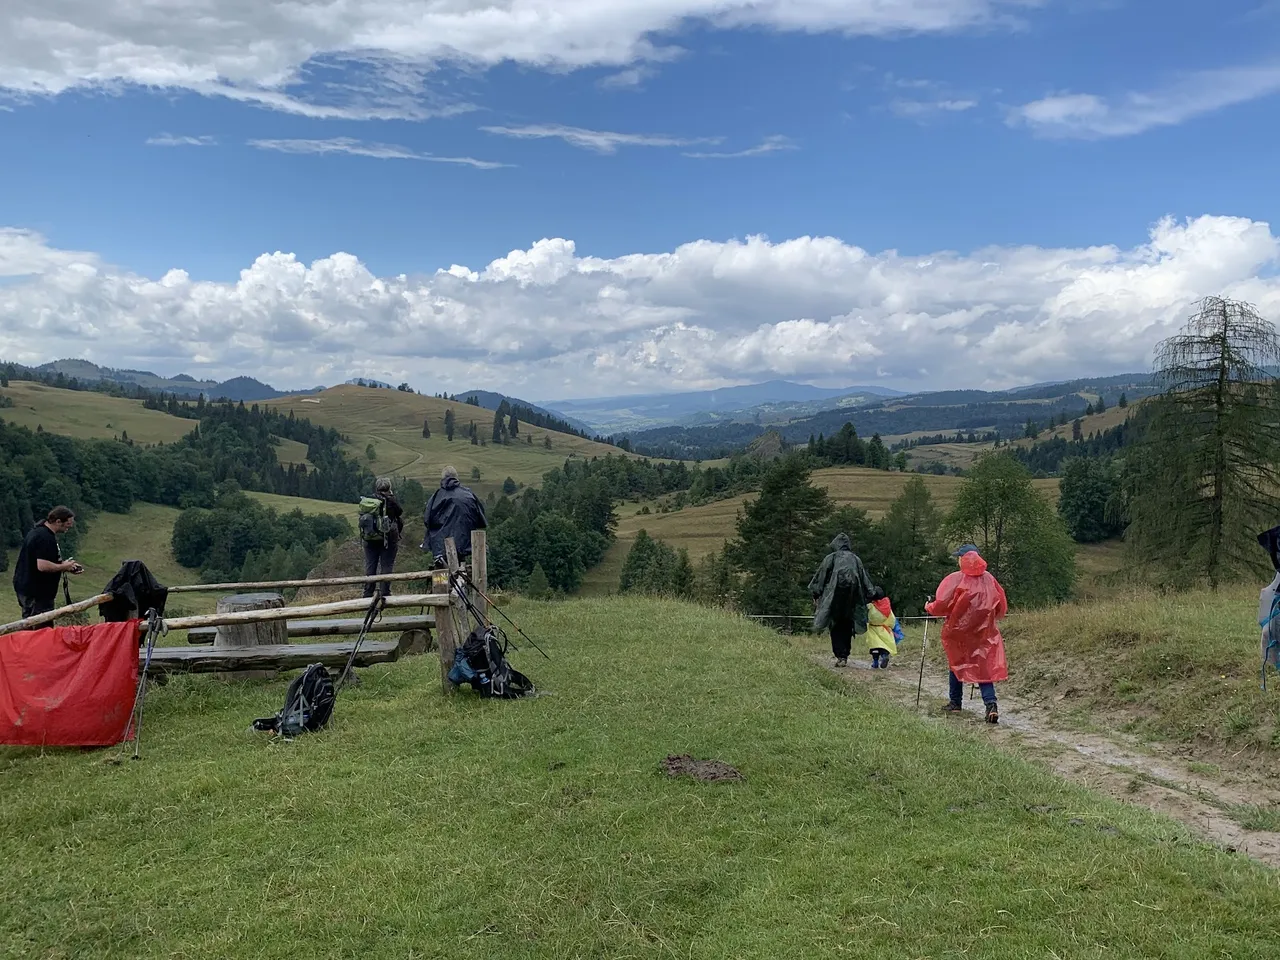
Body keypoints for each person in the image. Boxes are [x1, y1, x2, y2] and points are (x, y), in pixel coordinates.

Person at [925, 544, 1009, 724]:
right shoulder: (990, 579)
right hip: (984, 632)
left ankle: (955, 702)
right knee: (983, 667)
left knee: (956, 662)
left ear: (963, 559)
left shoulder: (956, 579)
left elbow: (942, 603)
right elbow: (1001, 606)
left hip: (959, 631)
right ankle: (991, 704)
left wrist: (928, 606)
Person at [808, 533, 877, 668]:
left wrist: (816, 593)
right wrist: (872, 594)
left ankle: (840, 655)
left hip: (833, 597)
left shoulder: (831, 558)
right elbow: (864, 578)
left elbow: (821, 576)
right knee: (847, 624)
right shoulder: (856, 559)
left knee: (835, 625)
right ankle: (845, 654)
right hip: (853, 599)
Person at [12, 506, 84, 619]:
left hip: (28, 588)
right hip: (37, 593)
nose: (69, 527)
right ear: (58, 521)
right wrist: (64, 567)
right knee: (41, 629)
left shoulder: (38, 532)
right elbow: (42, 565)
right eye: (68, 524)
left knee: (29, 626)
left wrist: (66, 565)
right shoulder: (45, 537)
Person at [423, 465, 487, 566]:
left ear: (442, 478)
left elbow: (427, 520)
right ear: (456, 477)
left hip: (441, 545)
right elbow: (481, 519)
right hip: (466, 544)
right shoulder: (468, 494)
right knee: (465, 572)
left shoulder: (437, 496)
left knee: (442, 575)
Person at [363, 478, 404, 599]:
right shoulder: (391, 501)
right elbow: (400, 512)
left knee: (371, 565)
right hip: (388, 539)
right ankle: (385, 592)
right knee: (386, 565)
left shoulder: (370, 500)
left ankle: (368, 592)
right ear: (389, 487)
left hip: (370, 538)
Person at [866, 587, 899, 670]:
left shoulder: (870, 606)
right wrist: (891, 626)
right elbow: (891, 619)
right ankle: (884, 656)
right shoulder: (887, 606)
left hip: (873, 629)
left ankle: (875, 662)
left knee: (874, 646)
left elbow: (865, 617)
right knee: (884, 646)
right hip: (884, 629)